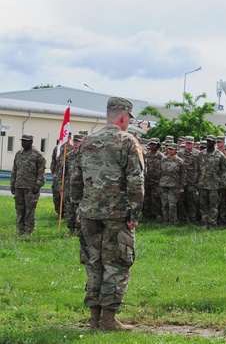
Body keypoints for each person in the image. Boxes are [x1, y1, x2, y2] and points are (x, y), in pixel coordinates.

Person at [69, 97, 144, 331]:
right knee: (117, 264)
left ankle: (94, 319)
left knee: (94, 263)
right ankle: (108, 320)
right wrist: (135, 213)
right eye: (128, 119)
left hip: (90, 212)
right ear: (124, 117)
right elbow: (136, 181)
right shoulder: (128, 142)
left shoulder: (88, 141)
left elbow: (75, 178)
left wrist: (79, 207)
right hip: (117, 214)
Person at [11, 134, 47, 236]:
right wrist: (12, 184)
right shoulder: (19, 154)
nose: (23, 143)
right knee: (19, 209)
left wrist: (38, 185)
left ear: (31, 142)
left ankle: (28, 230)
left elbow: (41, 172)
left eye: (26, 141)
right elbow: (14, 170)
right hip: (19, 186)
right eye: (22, 141)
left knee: (29, 210)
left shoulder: (37, 155)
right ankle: (20, 229)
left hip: (31, 188)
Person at [158, 143, 186, 224]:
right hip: (163, 185)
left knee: (172, 204)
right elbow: (160, 172)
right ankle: (165, 220)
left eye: (172, 149)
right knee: (164, 204)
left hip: (174, 186)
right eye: (169, 149)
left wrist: (181, 187)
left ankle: (172, 221)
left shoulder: (180, 161)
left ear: (176, 150)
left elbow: (182, 175)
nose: (170, 150)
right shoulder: (163, 160)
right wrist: (158, 185)